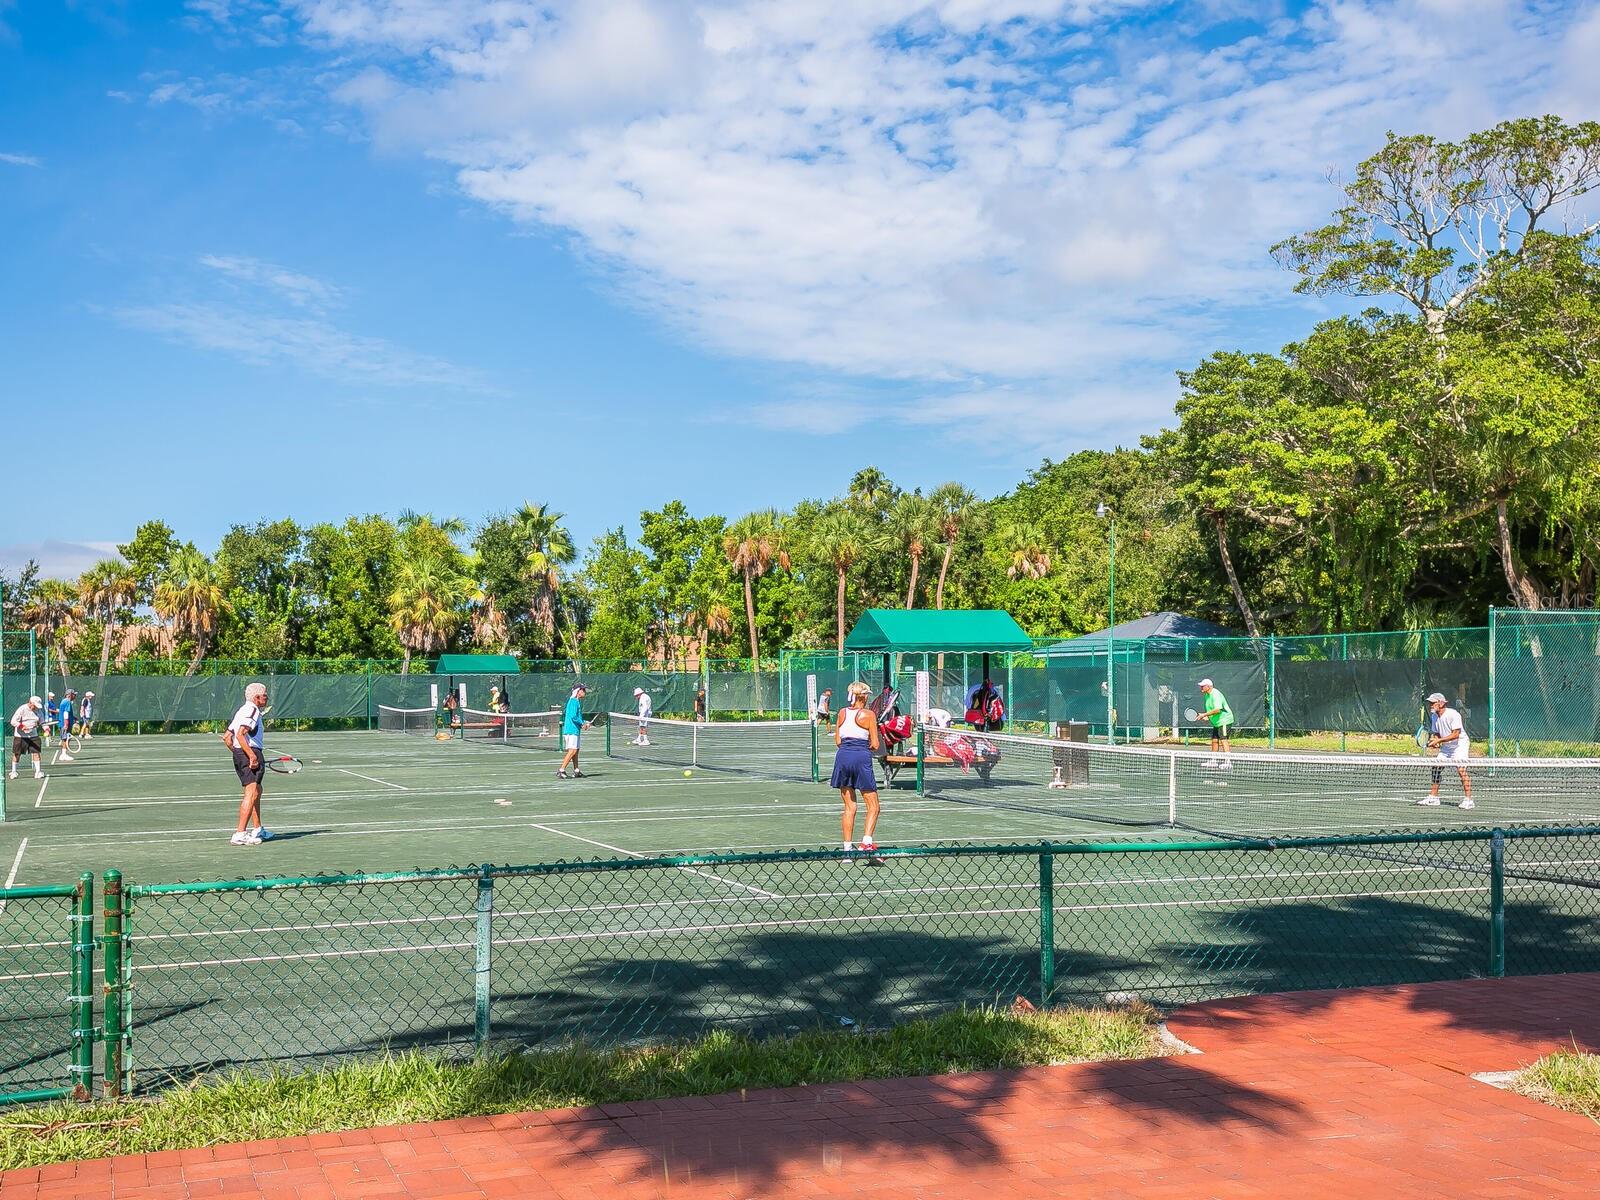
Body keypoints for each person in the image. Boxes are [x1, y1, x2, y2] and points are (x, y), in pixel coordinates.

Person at [830, 681, 884, 865]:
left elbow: (838, 740)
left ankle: (847, 851)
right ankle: (866, 843)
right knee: (874, 806)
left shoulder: (842, 713)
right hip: (861, 758)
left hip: (842, 757)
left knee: (849, 807)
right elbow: (876, 745)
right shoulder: (869, 715)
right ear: (864, 696)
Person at [222, 682, 274, 845]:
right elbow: (240, 734)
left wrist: (239, 755)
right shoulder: (252, 710)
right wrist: (250, 756)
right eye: (264, 695)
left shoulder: (242, 711)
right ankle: (240, 833)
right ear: (256, 697)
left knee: (257, 790)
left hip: (242, 753)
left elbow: (227, 738)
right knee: (251, 793)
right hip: (250, 751)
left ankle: (258, 829)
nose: (266, 697)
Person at [1420, 691, 1475, 809]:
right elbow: (1437, 734)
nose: (1431, 705)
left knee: (1461, 770)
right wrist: (1435, 740)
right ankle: (1433, 797)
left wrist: (1438, 741)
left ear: (1440, 703)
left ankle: (1469, 800)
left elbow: (1455, 734)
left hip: (1460, 744)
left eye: (1433, 703)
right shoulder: (1435, 716)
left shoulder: (1453, 714)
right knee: (1436, 768)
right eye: (1430, 703)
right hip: (1447, 747)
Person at [1197, 678, 1233, 770]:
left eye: (1203, 685)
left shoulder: (1215, 694)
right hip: (1217, 722)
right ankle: (1213, 761)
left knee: (1223, 740)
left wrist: (1204, 714)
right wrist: (1207, 716)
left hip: (1225, 720)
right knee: (1214, 740)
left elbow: (1217, 710)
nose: (1201, 687)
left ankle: (1228, 762)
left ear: (1208, 686)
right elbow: (1211, 710)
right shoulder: (1206, 695)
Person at [557, 684, 590, 778]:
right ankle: (561, 770)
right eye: (583, 690)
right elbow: (573, 716)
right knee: (572, 751)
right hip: (571, 731)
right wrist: (582, 724)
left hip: (575, 730)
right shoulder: (573, 701)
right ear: (578, 691)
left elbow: (577, 717)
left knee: (576, 750)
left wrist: (584, 722)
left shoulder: (576, 702)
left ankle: (576, 770)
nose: (584, 692)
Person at [9, 695, 45, 780]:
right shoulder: (22, 709)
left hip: (33, 735)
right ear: (30, 703)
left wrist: (46, 729)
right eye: (35, 706)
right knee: (17, 754)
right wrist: (22, 726)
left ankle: (38, 772)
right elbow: (13, 721)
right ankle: (14, 772)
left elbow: (42, 722)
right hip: (20, 736)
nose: (36, 708)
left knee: (36, 753)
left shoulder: (39, 711)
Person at [55, 690, 77, 763]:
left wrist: (73, 717)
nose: (75, 696)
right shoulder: (67, 701)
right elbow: (65, 713)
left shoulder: (64, 701)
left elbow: (65, 712)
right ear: (70, 695)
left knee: (65, 738)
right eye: (74, 694)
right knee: (65, 739)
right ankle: (64, 754)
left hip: (63, 723)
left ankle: (63, 754)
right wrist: (66, 724)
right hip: (64, 724)